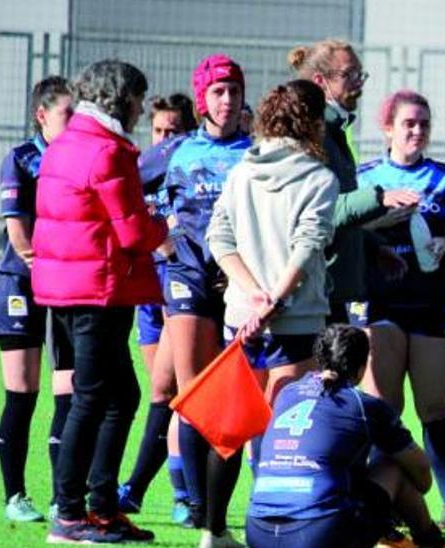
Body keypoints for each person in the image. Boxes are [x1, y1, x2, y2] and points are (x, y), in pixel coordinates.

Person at [34, 59, 165, 544]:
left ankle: (101, 508)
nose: (140, 108)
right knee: (92, 400)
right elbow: (133, 232)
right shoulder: (107, 151)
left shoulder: (66, 144)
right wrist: (165, 227)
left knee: (118, 396)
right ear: (122, 99)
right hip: (98, 289)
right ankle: (70, 514)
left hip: (69, 287)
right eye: (138, 98)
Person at [353, 89, 445, 529]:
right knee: (383, 405)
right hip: (380, 301)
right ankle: (376, 499)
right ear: (388, 128)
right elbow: (348, 226)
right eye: (409, 123)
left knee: (435, 406)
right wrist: (384, 216)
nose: (417, 131)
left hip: (433, 301)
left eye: (424, 123)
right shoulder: (366, 176)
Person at [246, 324, 445, 548]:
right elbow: (421, 473)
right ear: (362, 367)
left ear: (319, 358)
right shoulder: (365, 406)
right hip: (316, 534)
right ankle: (432, 543)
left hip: (258, 531)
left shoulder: (287, 393)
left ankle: (388, 534)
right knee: (393, 469)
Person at [209, 78, 338, 413]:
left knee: (236, 423)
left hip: (242, 314)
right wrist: (272, 304)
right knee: (282, 425)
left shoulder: (241, 172)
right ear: (315, 123)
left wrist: (253, 295)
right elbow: (306, 247)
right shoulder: (320, 179)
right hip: (296, 319)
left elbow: (219, 238)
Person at [165, 53, 252, 548]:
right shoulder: (175, 152)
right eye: (218, 91)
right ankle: (200, 512)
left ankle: (216, 521)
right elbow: (130, 194)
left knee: (231, 407)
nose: (227, 100)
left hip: (238, 288)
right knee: (195, 398)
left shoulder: (255, 155)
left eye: (235, 91)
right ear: (202, 97)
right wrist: (165, 240)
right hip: (189, 283)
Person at [288, 39, 415, 326]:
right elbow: (319, 211)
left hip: (331, 289)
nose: (359, 82)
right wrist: (379, 197)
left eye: (360, 74)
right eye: (349, 75)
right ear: (320, 81)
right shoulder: (310, 136)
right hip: (308, 290)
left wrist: (370, 247)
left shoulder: (335, 132)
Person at [0, 75, 74, 523]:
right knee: (22, 393)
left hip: (65, 286)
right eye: (67, 113)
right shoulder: (20, 160)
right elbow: (19, 236)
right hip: (21, 287)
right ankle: (15, 495)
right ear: (42, 115)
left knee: (69, 392)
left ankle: (63, 496)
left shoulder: (77, 159)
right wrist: (53, 268)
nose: (75, 121)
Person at [118, 91, 198, 525]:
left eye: (173, 131)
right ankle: (173, 490)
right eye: (160, 131)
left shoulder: (190, 167)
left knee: (171, 393)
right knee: (162, 394)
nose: (165, 139)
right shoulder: (142, 168)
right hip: (146, 295)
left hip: (179, 290)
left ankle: (165, 492)